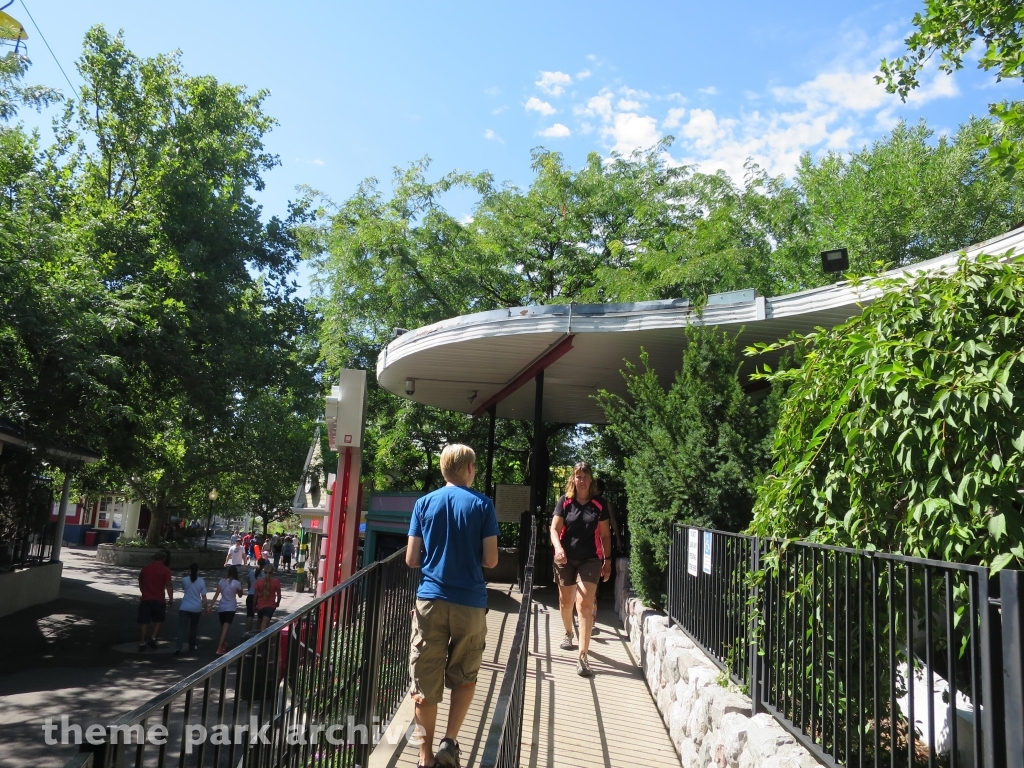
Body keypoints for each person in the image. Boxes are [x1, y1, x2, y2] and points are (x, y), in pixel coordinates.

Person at [405, 444, 499, 768]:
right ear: (470, 469)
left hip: (430, 600)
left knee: (425, 683)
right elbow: (490, 559)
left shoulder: (423, 504)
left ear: (445, 469)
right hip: (470, 604)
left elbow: (411, 558)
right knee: (465, 675)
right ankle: (450, 741)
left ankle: (424, 757)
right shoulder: (483, 505)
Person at [550, 461, 612, 677]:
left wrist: (608, 560)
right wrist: (558, 548)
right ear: (573, 479)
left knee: (584, 604)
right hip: (565, 558)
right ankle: (569, 632)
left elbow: (605, 535)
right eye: (578, 476)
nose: (582, 480)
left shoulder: (599, 504)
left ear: (590, 480)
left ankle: (583, 657)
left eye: (585, 476)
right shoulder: (565, 502)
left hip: (591, 559)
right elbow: (554, 529)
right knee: (566, 602)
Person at [137, 550, 173, 651]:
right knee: (159, 619)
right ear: (163, 559)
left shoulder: (146, 569)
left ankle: (142, 642)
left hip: (146, 598)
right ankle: (153, 637)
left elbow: (140, 582)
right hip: (159, 598)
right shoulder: (166, 570)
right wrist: (171, 598)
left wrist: (143, 591)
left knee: (144, 621)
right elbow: (168, 585)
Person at [209, 565, 243, 654]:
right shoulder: (236, 583)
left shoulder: (222, 581)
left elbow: (216, 594)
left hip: (221, 606)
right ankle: (220, 647)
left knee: (222, 626)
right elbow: (240, 595)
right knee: (226, 627)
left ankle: (223, 643)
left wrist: (211, 605)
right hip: (230, 607)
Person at [176, 562, 208, 654]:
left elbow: (184, 589)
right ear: (198, 570)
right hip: (196, 607)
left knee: (181, 628)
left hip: (184, 606)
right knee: (193, 628)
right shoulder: (201, 581)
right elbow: (204, 597)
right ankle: (192, 646)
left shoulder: (185, 580)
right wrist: (206, 607)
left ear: (189, 570)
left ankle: (178, 647)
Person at [255, 563, 282, 630]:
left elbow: (255, 595)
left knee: (259, 623)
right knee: (264, 625)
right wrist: (277, 602)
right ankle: (263, 639)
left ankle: (258, 638)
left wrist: (254, 605)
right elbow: (279, 595)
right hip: (270, 606)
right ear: (272, 572)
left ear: (264, 571)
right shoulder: (276, 582)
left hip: (260, 605)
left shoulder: (259, 582)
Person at [245, 559, 265, 632]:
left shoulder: (251, 572)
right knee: (260, 617)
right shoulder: (264, 575)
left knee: (250, 615)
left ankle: (248, 633)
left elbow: (249, 583)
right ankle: (258, 634)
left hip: (250, 595)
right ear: (264, 565)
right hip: (260, 597)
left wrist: (250, 589)